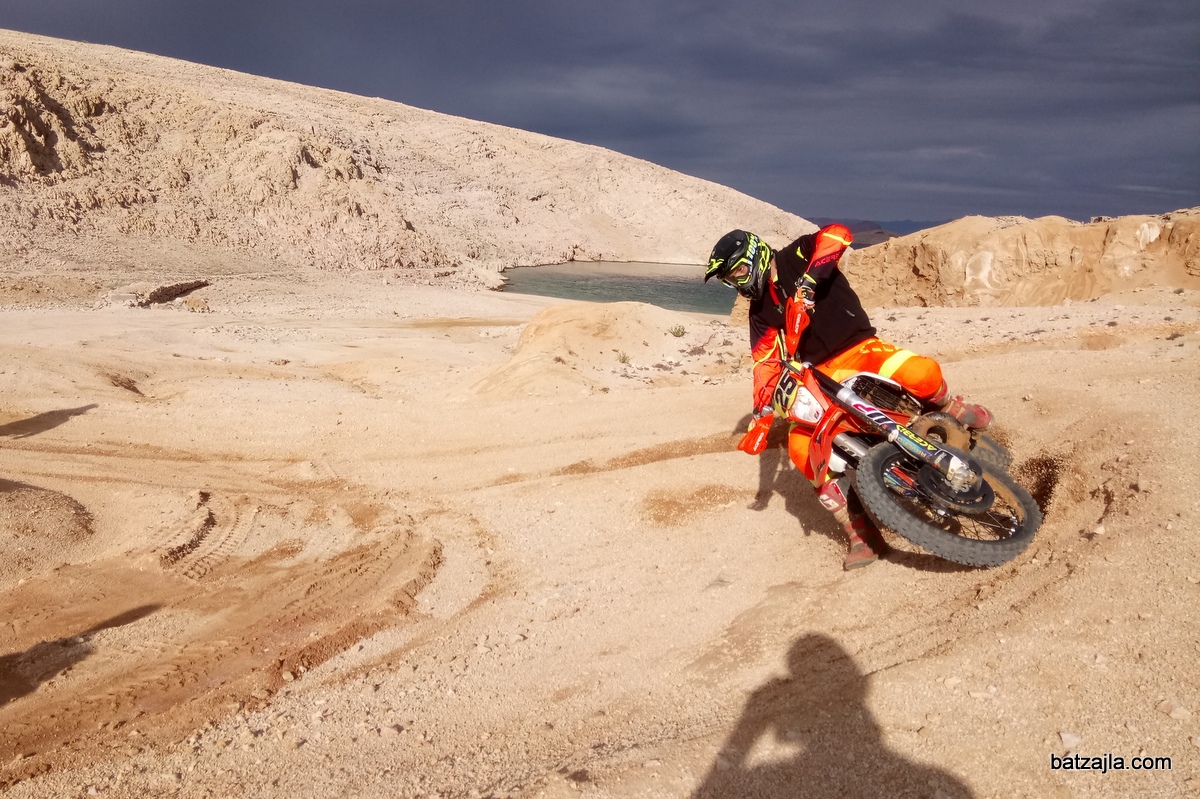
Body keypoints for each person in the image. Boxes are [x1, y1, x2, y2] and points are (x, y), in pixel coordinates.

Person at [704, 225, 993, 570]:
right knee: (800, 448)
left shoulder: (796, 255)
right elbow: (765, 363)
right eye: (730, 279)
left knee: (921, 373)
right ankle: (860, 533)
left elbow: (837, 235)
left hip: (861, 348)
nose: (737, 282)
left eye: (737, 271)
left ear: (755, 255)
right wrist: (761, 415)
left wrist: (809, 282)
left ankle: (952, 407)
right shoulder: (759, 313)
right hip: (818, 376)